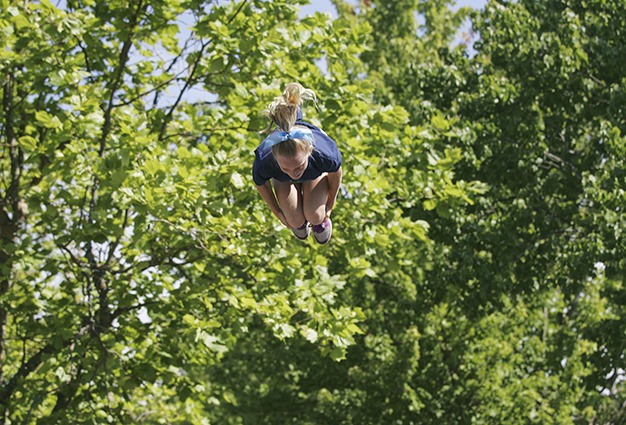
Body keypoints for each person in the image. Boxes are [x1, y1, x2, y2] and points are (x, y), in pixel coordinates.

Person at [252, 83, 343, 244]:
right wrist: (278, 212)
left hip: (313, 172)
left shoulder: (324, 154)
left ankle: (317, 217)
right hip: (282, 179)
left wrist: (330, 202)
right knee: (294, 220)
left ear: (310, 151)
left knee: (315, 216)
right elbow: (261, 184)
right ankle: (298, 216)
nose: (294, 173)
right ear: (275, 160)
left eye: (299, 166)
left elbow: (336, 171)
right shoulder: (265, 160)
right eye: (286, 167)